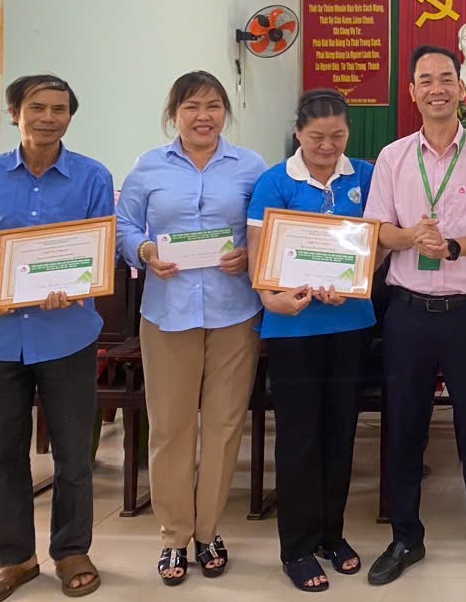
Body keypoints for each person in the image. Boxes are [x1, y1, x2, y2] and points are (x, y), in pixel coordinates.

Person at [0, 74, 113, 600]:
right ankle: (14, 559)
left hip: (68, 333)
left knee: (72, 452)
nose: (48, 117)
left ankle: (71, 550)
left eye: (59, 109)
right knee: (1, 456)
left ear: (70, 117)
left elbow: (99, 247)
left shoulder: (92, 176)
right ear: (14, 113)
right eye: (36, 107)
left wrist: (74, 285)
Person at [362, 45, 466, 586]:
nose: (437, 88)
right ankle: (405, 537)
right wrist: (410, 237)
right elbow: (378, 230)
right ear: (411, 92)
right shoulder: (392, 157)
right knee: (404, 427)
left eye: (446, 78)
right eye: (425, 79)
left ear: (461, 88)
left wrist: (452, 246)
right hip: (407, 311)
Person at [116, 72, 266, 586]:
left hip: (234, 312)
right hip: (168, 313)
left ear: (226, 112)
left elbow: (267, 226)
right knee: (172, 428)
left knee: (224, 428)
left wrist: (250, 254)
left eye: (214, 105)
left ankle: (209, 531)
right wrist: (144, 251)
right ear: (174, 113)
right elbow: (125, 226)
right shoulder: (148, 167)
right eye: (192, 106)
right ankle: (174, 537)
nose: (204, 116)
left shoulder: (250, 165)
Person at [247, 89, 378, 592]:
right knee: (300, 438)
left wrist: (359, 280)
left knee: (340, 434)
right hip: (293, 326)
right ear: (298, 133)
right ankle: (297, 548)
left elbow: (377, 243)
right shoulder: (275, 181)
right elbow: (261, 255)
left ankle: (332, 535)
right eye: (318, 136)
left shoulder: (364, 176)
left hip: (350, 324)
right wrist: (272, 297)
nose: (328, 146)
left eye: (338, 136)